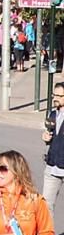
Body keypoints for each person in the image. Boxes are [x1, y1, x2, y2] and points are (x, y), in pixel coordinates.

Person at [43, 82, 64, 216]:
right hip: (52, 166)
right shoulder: (52, 114)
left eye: (59, 95)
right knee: (45, 207)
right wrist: (46, 138)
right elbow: (51, 135)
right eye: (54, 95)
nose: (55, 98)